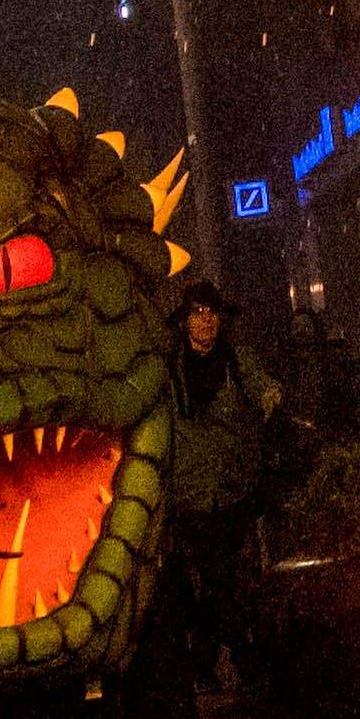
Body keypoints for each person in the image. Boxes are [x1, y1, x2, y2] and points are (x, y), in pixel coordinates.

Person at [159, 279, 282, 688]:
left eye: (211, 312)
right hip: (190, 494)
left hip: (233, 490)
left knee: (221, 581)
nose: (206, 320)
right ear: (184, 321)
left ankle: (208, 663)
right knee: (216, 581)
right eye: (197, 312)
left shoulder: (236, 361)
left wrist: (269, 397)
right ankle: (242, 659)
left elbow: (261, 385)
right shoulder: (171, 369)